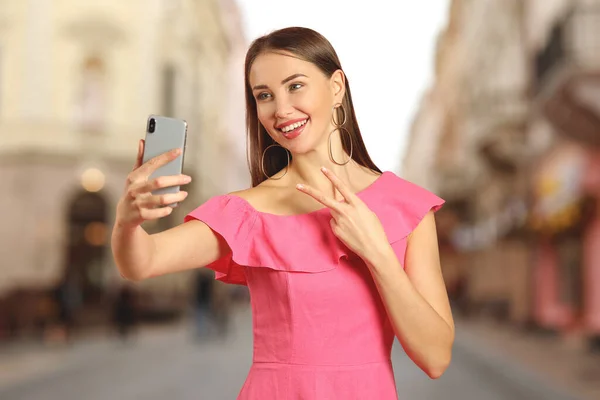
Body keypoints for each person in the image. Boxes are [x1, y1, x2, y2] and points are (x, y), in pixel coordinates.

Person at [112, 27, 455, 399]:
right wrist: (127, 221)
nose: (281, 109)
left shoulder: (409, 207)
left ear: (337, 87)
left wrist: (378, 254)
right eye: (264, 96)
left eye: (295, 86)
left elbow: (435, 358)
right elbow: (141, 262)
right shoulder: (247, 212)